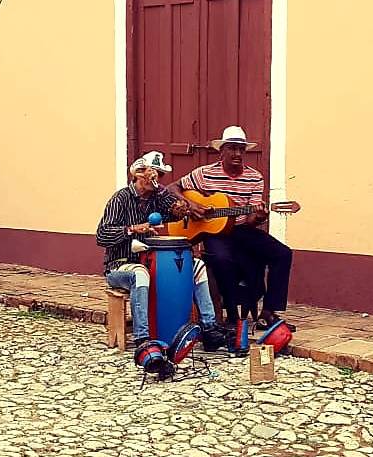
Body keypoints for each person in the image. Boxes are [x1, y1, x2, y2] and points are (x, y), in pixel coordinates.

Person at [95, 151, 226, 367]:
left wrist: (181, 206)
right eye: (152, 173)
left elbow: (174, 208)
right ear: (138, 174)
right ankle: (143, 339)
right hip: (120, 265)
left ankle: (209, 328)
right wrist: (132, 229)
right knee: (140, 273)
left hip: (152, 262)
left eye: (160, 175)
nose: (156, 178)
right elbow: (102, 236)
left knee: (198, 266)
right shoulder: (120, 198)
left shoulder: (158, 196)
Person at [167, 126, 300, 328]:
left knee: (282, 253)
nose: (237, 154)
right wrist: (192, 205)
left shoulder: (254, 177)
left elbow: (250, 220)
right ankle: (231, 315)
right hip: (213, 232)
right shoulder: (205, 174)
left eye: (241, 149)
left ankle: (269, 311)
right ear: (222, 151)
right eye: (232, 148)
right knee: (221, 259)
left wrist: (259, 217)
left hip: (241, 229)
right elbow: (171, 188)